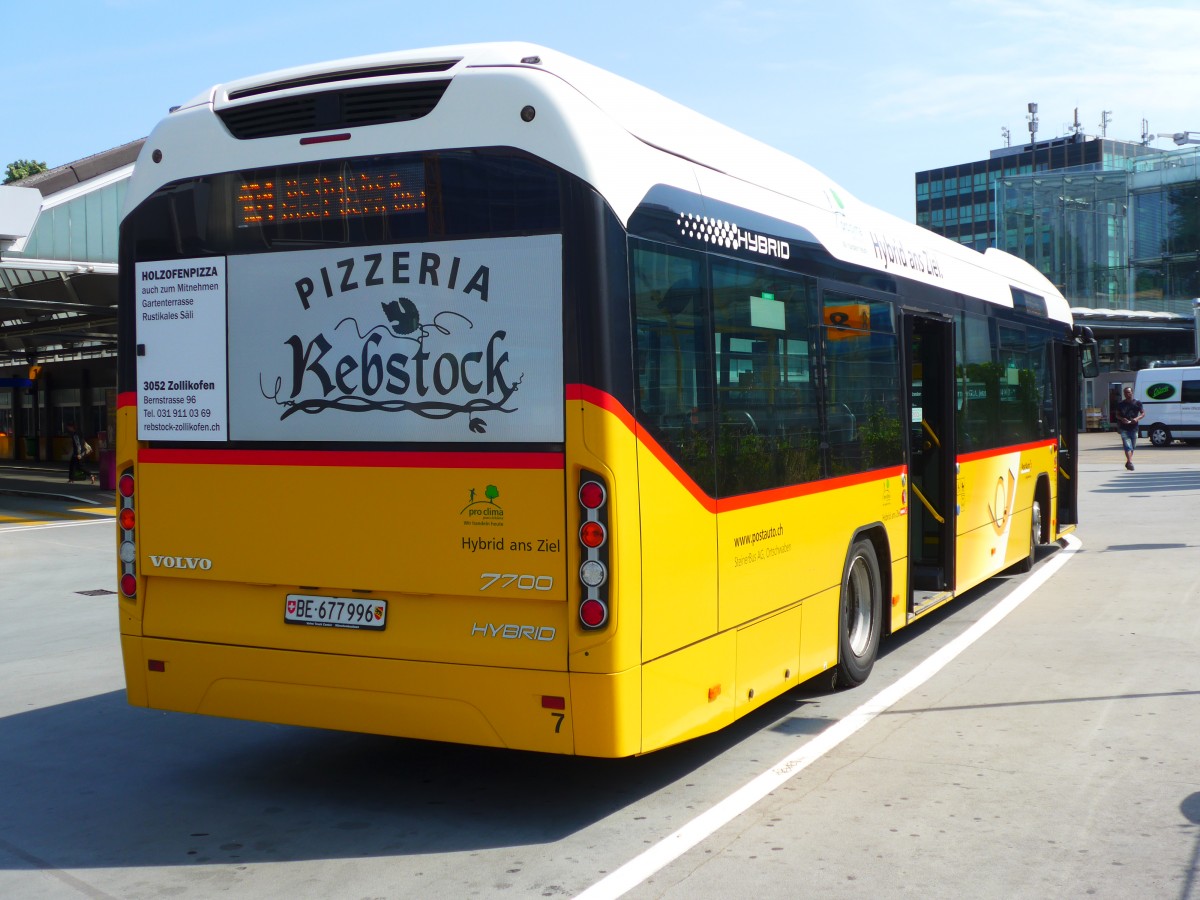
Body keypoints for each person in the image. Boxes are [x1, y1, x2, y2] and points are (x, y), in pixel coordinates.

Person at [1114, 386, 1145, 470]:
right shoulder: (1120, 404)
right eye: (1125, 392)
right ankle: (1130, 463)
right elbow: (1117, 415)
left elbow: (1143, 413)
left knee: (1133, 447)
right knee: (1127, 446)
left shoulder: (1137, 403)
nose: (1127, 394)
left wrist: (1136, 419)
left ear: (1132, 393)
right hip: (1124, 428)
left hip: (1134, 427)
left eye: (1128, 392)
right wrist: (1121, 419)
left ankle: (1128, 462)